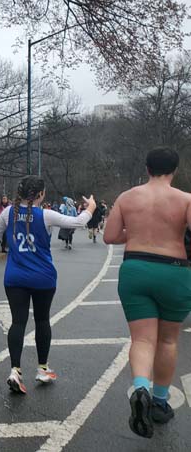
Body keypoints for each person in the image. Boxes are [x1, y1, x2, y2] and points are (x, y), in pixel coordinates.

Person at [104, 147, 191, 438]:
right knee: (167, 340)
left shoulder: (127, 197)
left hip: (135, 268)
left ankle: (140, 387)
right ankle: (160, 402)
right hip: (174, 270)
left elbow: (110, 236)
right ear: (174, 170)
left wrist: (138, 232)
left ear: (147, 167)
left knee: (141, 339)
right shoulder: (185, 199)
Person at [0, 175, 95, 394]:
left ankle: (15, 370)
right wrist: (90, 207)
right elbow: (78, 222)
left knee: (18, 322)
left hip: (15, 277)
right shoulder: (46, 215)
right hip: (43, 277)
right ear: (41, 194)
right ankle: (42, 368)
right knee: (42, 320)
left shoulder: (9, 212)